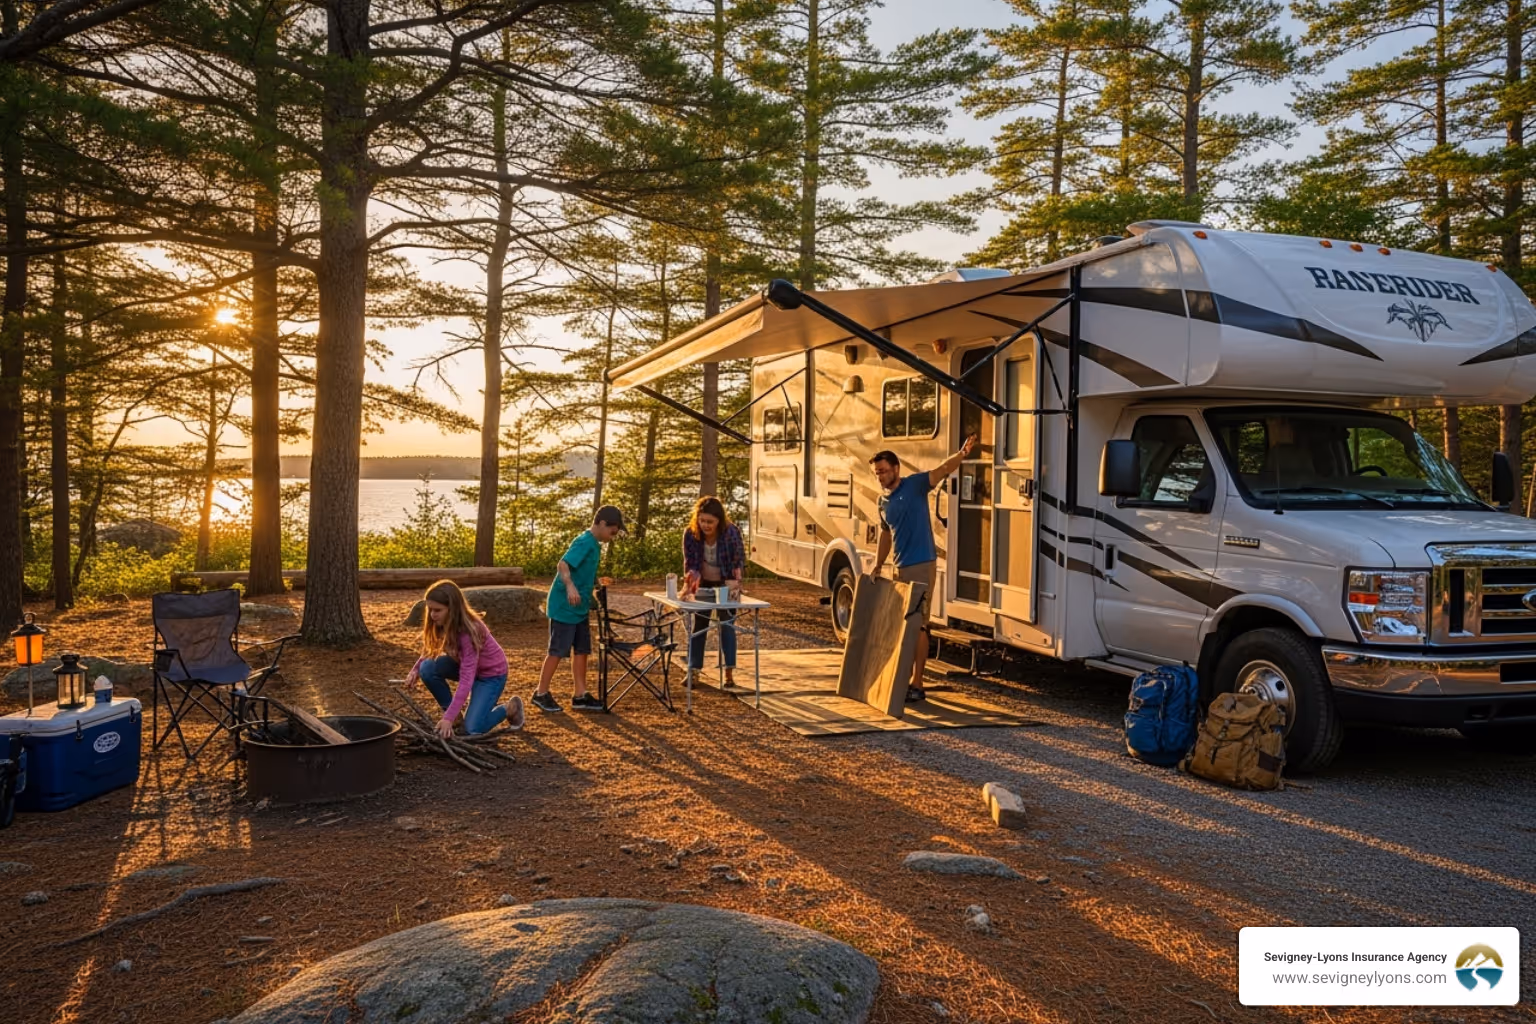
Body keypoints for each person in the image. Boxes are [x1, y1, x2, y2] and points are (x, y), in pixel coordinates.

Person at [870, 434, 977, 701]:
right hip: (899, 567)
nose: (880, 477)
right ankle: (903, 678)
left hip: (921, 565)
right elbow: (886, 534)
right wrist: (877, 564)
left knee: (918, 625)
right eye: (876, 473)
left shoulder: (915, 485)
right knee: (903, 625)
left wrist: (962, 453)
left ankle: (918, 684)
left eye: (883, 471)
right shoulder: (882, 502)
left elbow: (942, 470)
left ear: (896, 469)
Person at [532, 505, 626, 713]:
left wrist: (597, 582)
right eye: (612, 531)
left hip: (579, 608)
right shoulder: (584, 542)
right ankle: (540, 693)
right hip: (564, 606)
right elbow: (563, 565)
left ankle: (580, 695)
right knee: (557, 650)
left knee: (582, 650)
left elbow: (583, 571)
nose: (613, 536)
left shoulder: (595, 545)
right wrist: (570, 585)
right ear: (602, 524)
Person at [405, 580, 523, 737]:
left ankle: (509, 708)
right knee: (427, 667)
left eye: (438, 610)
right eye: (430, 609)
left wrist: (447, 718)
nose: (432, 614)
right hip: (463, 666)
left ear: (452, 609)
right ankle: (455, 718)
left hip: (490, 675)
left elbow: (466, 679)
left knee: (472, 730)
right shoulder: (439, 622)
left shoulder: (468, 631)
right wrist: (415, 669)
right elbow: (430, 648)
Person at [680, 495, 745, 689]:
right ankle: (693, 670)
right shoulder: (690, 534)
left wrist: (736, 582)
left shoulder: (731, 532)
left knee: (727, 625)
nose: (706, 525)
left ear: (719, 521)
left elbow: (739, 560)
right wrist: (690, 581)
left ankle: (729, 673)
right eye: (702, 521)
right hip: (704, 583)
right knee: (699, 625)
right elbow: (690, 562)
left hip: (726, 584)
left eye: (710, 522)